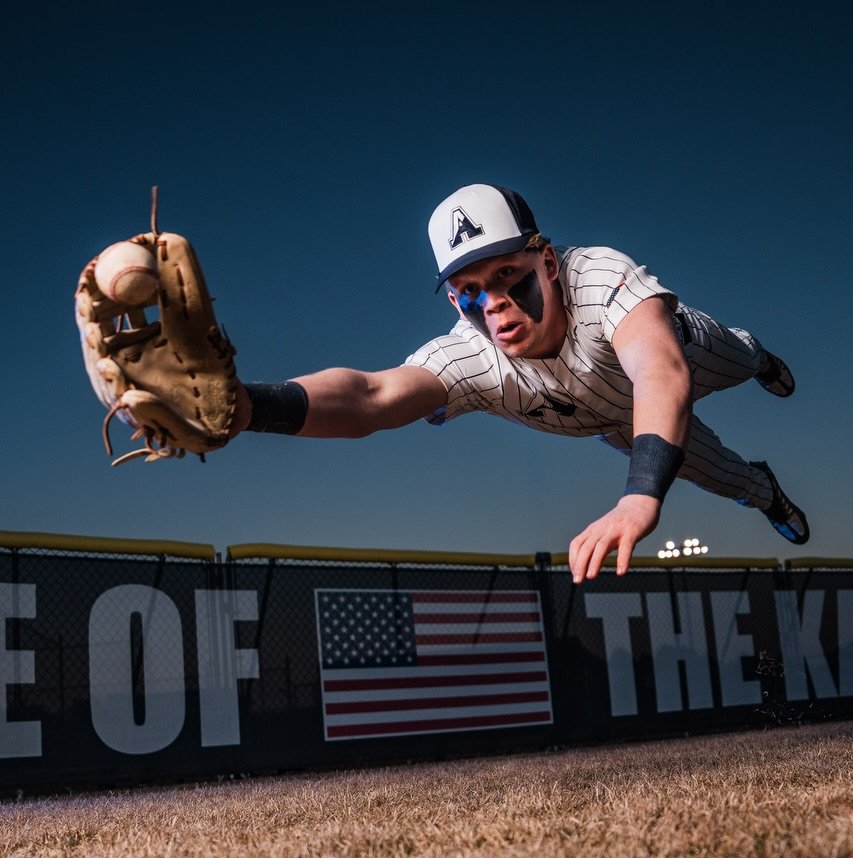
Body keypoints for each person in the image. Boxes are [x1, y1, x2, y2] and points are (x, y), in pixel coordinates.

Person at [230, 183, 808, 583]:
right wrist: (248, 407)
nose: (496, 304)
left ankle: (761, 360)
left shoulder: (597, 274)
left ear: (549, 263)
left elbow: (660, 370)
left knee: (741, 355)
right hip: (620, 423)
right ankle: (768, 491)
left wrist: (638, 496)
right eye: (470, 290)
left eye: (508, 275)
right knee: (722, 476)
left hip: (685, 355)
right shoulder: (471, 355)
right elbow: (372, 397)